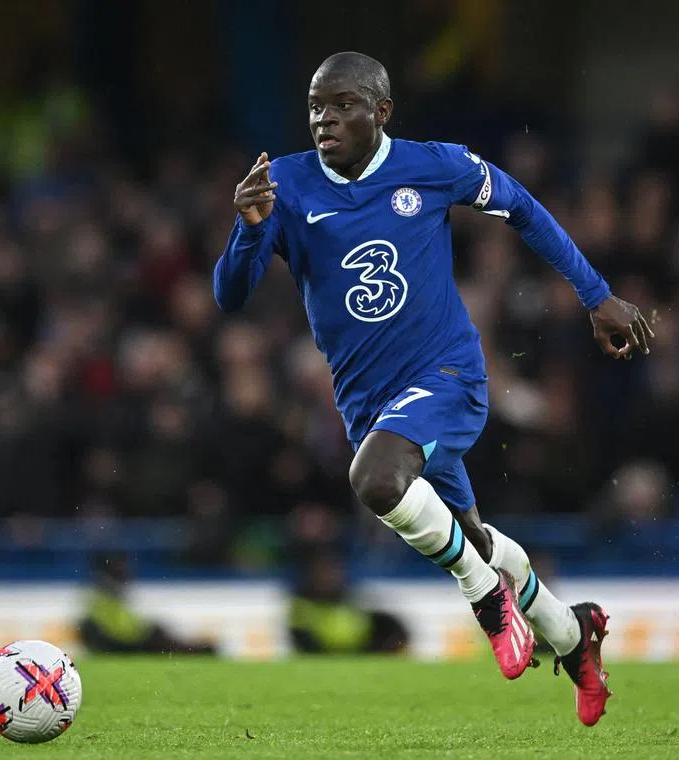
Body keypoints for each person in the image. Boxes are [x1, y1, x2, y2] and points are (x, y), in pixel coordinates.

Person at [214, 51, 653, 726]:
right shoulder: (286, 185)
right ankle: (574, 634)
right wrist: (247, 231)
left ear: (382, 111)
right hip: (368, 402)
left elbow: (522, 207)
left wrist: (596, 295)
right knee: (470, 535)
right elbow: (230, 295)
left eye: (343, 105)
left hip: (447, 375)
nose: (325, 119)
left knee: (376, 483)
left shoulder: (434, 166)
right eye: (315, 107)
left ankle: (485, 599)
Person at [78, 553, 216, 655]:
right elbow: (122, 629)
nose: (126, 574)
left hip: (118, 640)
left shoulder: (99, 594)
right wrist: (145, 632)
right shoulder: (104, 596)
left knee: (156, 632)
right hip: (119, 643)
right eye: (121, 570)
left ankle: (192, 649)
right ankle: (193, 650)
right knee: (156, 634)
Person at [289, 548, 409, 655]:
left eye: (333, 571)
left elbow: (389, 627)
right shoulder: (301, 606)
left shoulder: (356, 599)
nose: (329, 577)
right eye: (323, 572)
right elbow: (304, 643)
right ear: (311, 574)